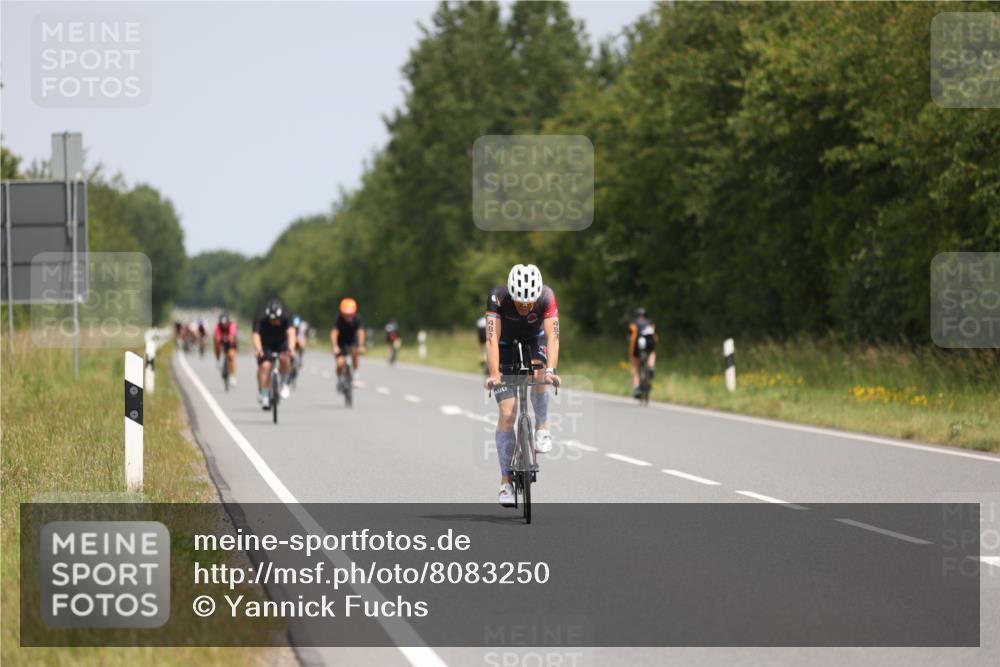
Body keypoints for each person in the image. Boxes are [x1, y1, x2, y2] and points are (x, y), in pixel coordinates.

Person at [484, 263, 560, 507]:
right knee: (507, 414)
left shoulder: (546, 297)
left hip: (534, 340)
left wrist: (551, 370)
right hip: (504, 345)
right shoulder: (497, 297)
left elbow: (553, 337)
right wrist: (495, 373)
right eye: (520, 303)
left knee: (540, 373)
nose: (525, 307)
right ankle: (505, 482)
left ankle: (542, 427)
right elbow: (491, 338)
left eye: (530, 303)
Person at [252, 299, 297, 410]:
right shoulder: (260, 317)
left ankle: (285, 383)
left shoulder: (287, 315)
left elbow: (291, 333)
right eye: (272, 320)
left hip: (281, 342)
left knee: (285, 358)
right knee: (265, 366)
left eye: (277, 320)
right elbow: (256, 335)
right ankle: (265, 395)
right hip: (265, 343)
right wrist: (258, 349)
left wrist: (291, 348)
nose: (275, 322)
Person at [330, 298, 366, 389]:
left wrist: (361, 345)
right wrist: (335, 346)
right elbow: (334, 333)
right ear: (342, 313)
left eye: (350, 314)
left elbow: (361, 332)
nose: (348, 317)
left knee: (355, 353)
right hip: (341, 341)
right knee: (340, 363)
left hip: (352, 340)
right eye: (346, 314)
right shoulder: (338, 319)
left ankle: (355, 376)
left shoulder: (357, 319)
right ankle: (339, 379)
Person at [628, 307, 657, 397]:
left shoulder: (633, 323)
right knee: (651, 353)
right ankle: (651, 366)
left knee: (635, 367)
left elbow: (629, 336)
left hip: (636, 345)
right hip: (649, 343)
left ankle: (637, 388)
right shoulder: (650, 322)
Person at [214, 312, 238, 386]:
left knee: (231, 356)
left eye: (225, 323)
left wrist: (228, 338)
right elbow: (217, 337)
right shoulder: (217, 326)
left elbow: (232, 335)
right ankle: (218, 359)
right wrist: (220, 339)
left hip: (230, 342)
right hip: (221, 340)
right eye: (222, 323)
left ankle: (233, 376)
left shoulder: (232, 325)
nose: (224, 325)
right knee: (217, 345)